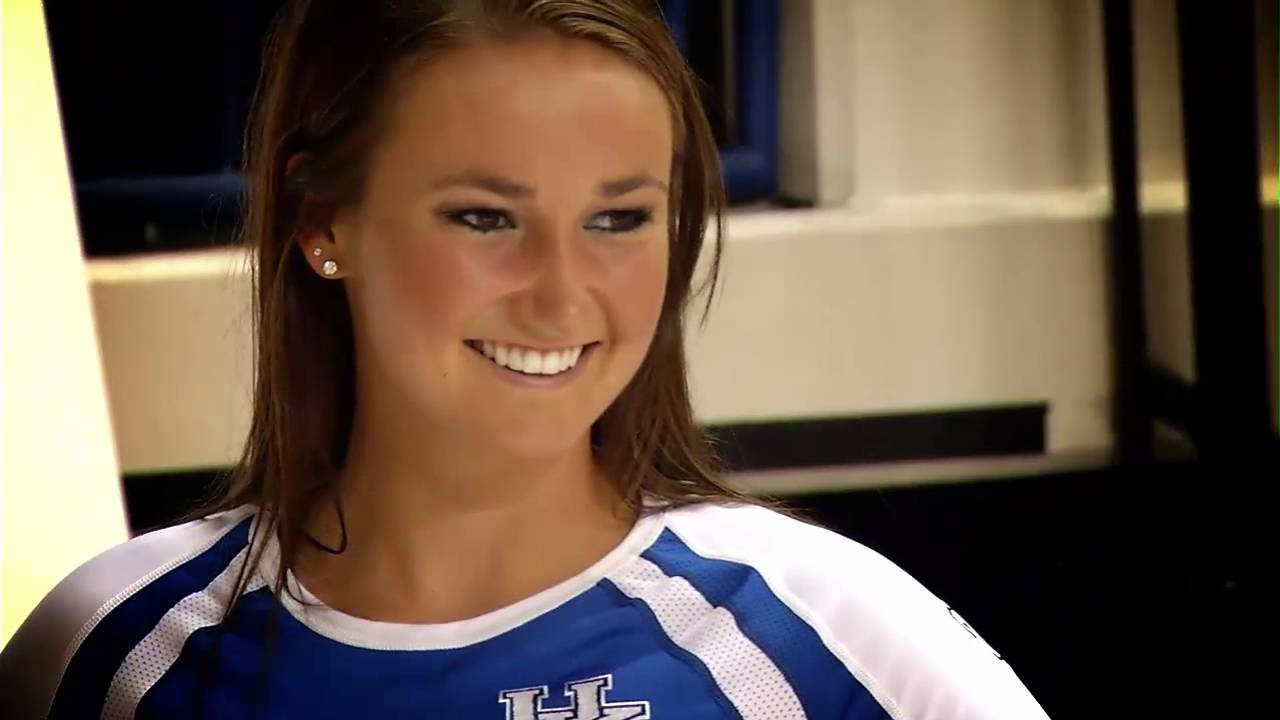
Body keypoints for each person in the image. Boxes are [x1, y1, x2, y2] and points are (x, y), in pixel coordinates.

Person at [0, 1, 1051, 717]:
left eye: (617, 218)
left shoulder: (814, 629)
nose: (559, 293)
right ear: (326, 223)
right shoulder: (118, 646)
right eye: (483, 216)